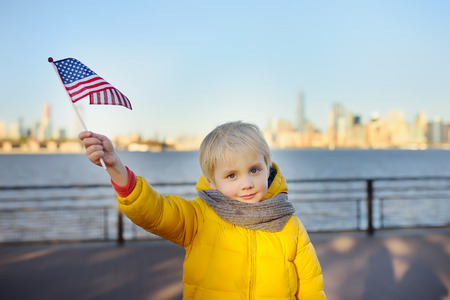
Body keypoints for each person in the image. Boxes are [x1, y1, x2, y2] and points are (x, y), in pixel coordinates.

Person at [79, 121, 326, 300]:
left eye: (254, 170)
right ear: (211, 181)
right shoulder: (199, 217)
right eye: (231, 175)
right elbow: (156, 211)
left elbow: (311, 288)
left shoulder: (290, 226)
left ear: (267, 167)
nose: (247, 183)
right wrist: (116, 169)